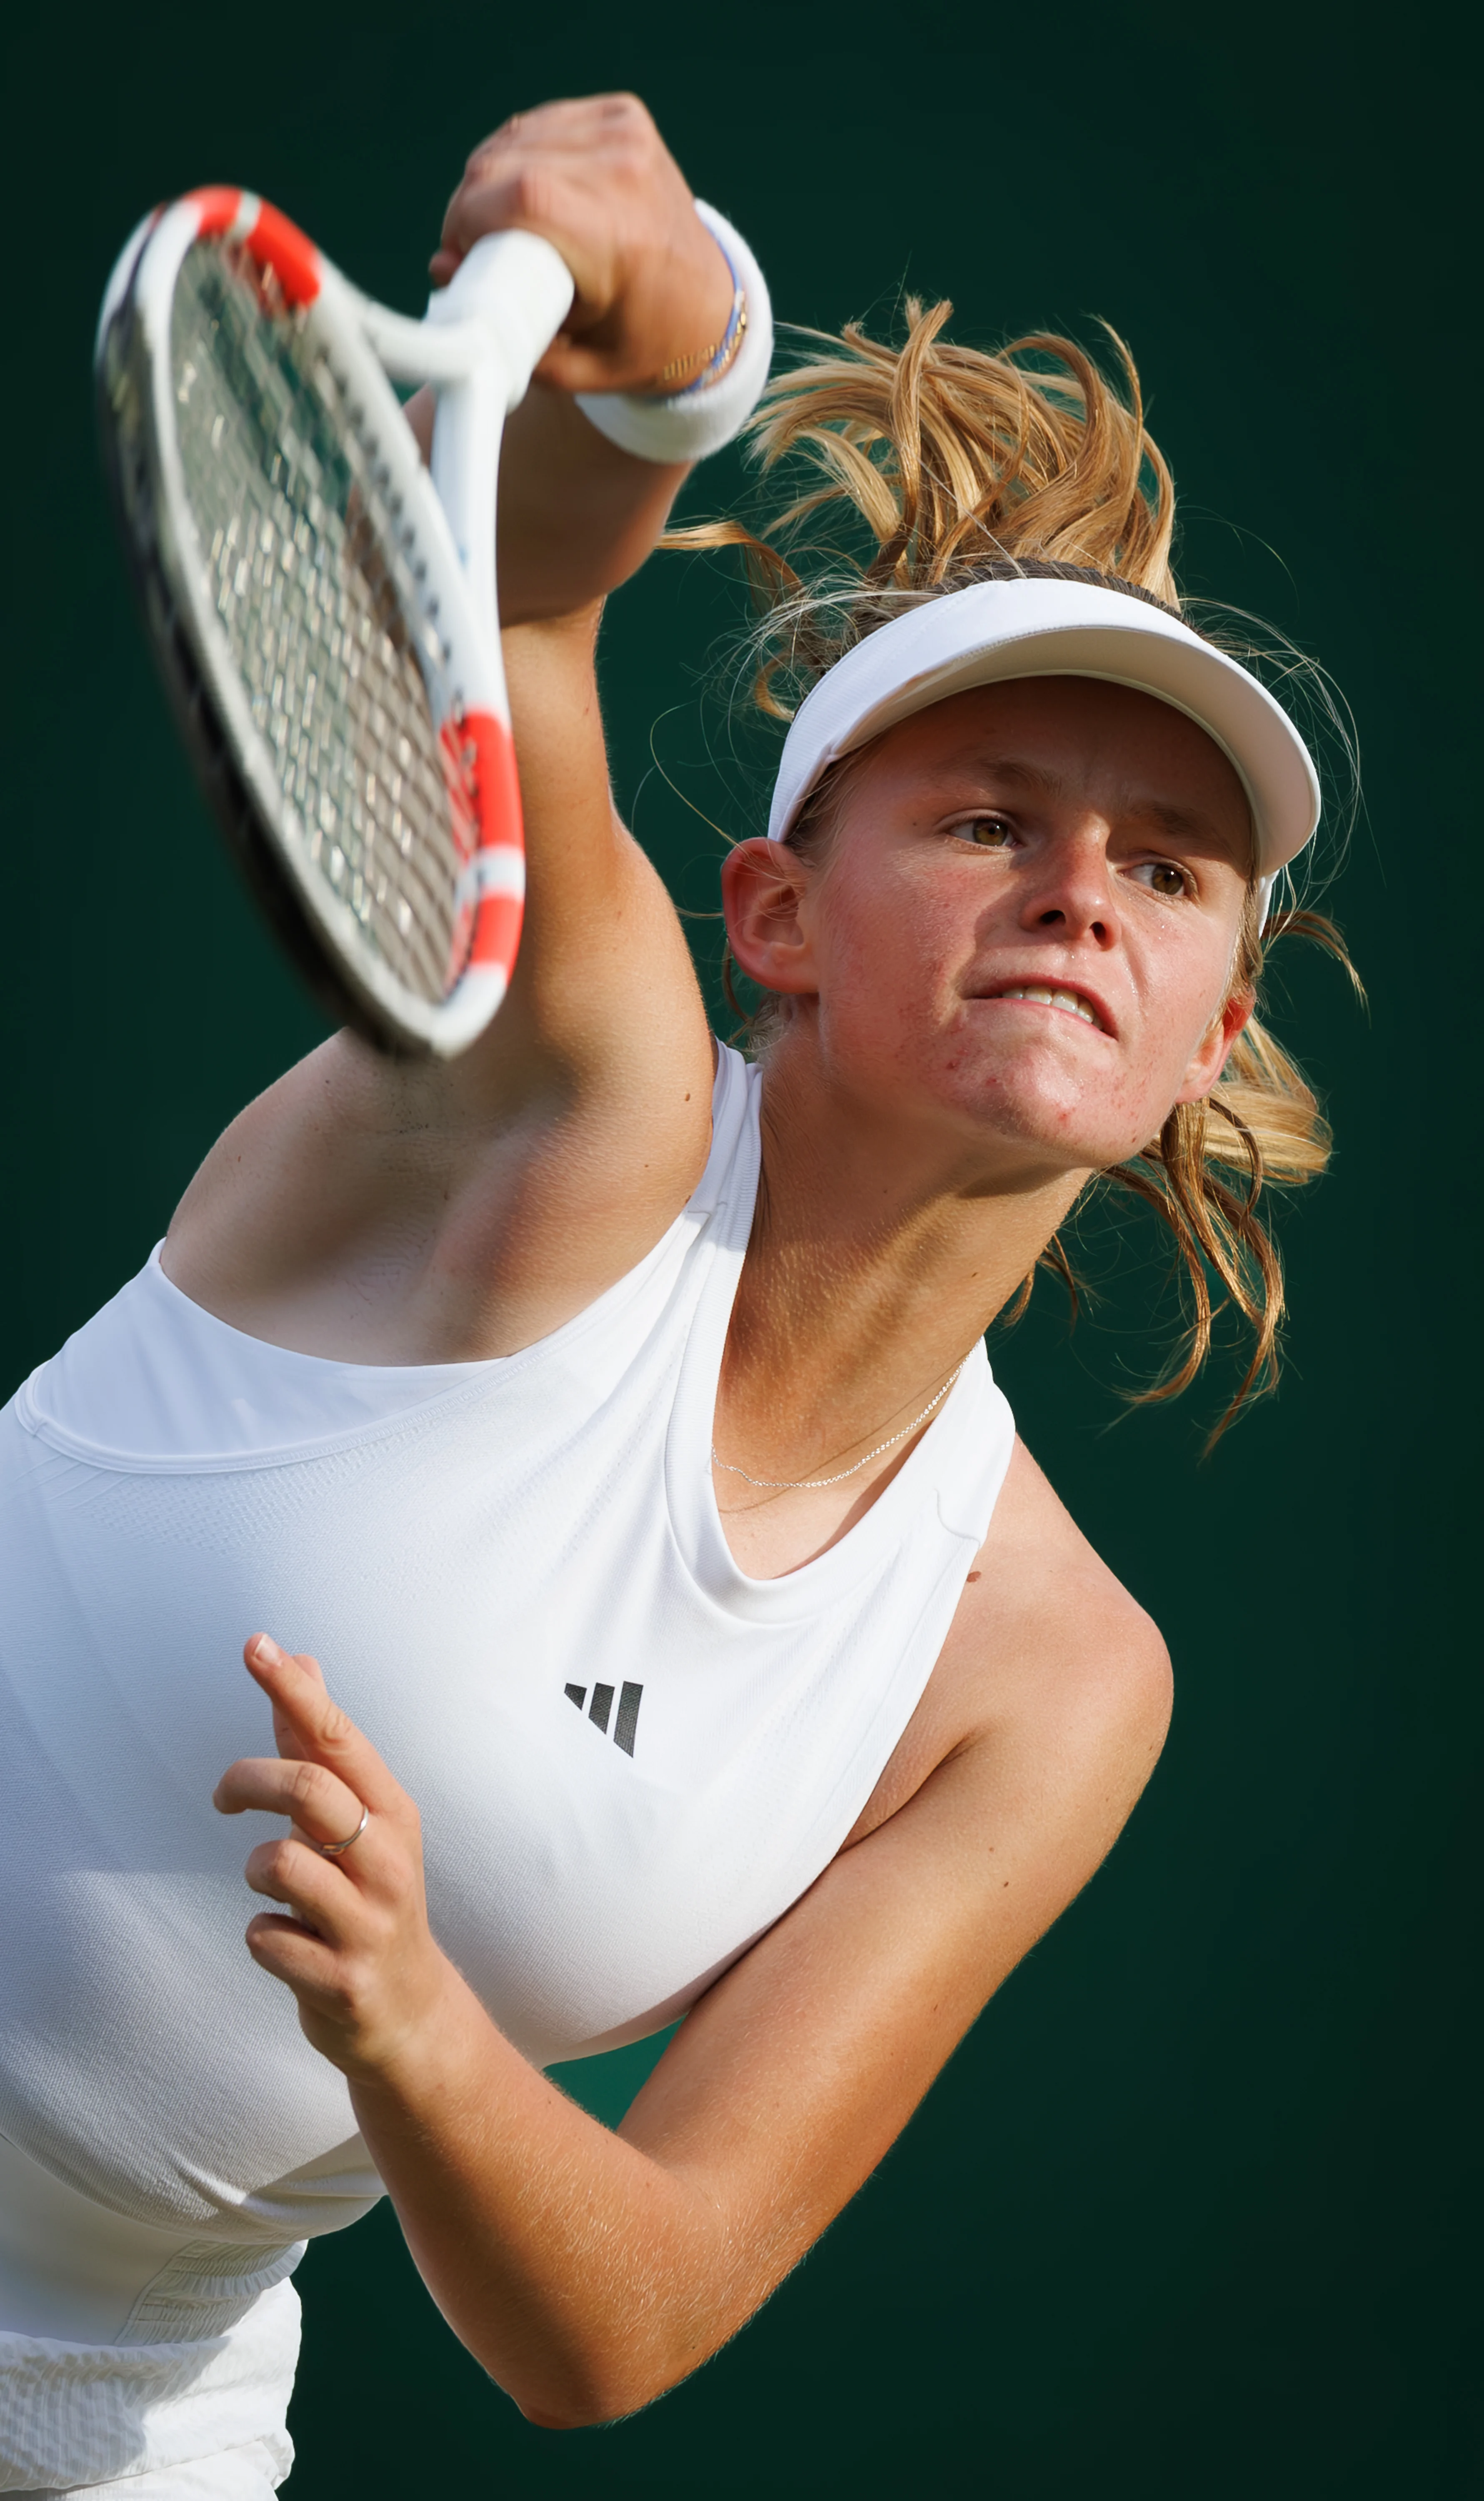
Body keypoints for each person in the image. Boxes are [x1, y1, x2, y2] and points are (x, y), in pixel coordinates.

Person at [0, 93, 1348, 2498]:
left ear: (1207, 1033)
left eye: (1165, 869)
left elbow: (611, 2325)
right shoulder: (579, 1118)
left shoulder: (1048, 1683)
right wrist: (675, 348)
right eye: (983, 820)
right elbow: (507, 615)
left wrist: (417, 2028)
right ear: (772, 921)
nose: (1078, 892)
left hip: (113, 2429)